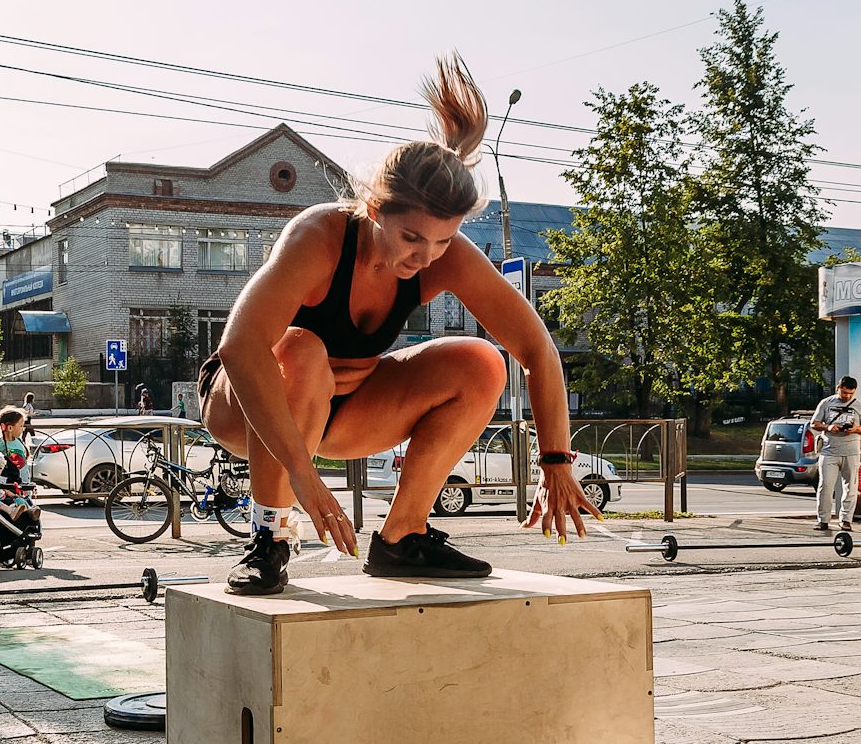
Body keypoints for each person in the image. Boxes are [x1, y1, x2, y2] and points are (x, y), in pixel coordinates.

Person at [200, 54, 596, 595]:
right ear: (374, 209)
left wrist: (555, 461)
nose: (425, 256)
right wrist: (301, 474)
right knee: (300, 347)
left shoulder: (446, 256)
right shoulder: (319, 237)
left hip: (347, 411)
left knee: (480, 363)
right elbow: (240, 347)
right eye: (411, 238)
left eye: (442, 241)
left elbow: (537, 349)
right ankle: (268, 539)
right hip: (246, 407)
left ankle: (402, 536)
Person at [809, 376, 861, 533]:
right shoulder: (826, 403)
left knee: (851, 487)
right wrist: (829, 427)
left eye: (851, 393)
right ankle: (823, 520)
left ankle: (846, 520)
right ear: (838, 388)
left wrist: (856, 429)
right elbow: (814, 423)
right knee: (825, 486)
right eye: (844, 393)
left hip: (851, 452)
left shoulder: (859, 405)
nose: (847, 396)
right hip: (829, 451)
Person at [0, 448, 40, 529]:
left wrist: (14, 496)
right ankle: (11, 512)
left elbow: (6, 490)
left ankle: (30, 511)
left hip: (4, 499)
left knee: (19, 500)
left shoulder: (1, 479)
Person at [0, 407, 30, 483]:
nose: (23, 429)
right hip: (10, 485)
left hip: (24, 484)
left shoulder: (19, 441)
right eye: (21, 426)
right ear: (10, 428)